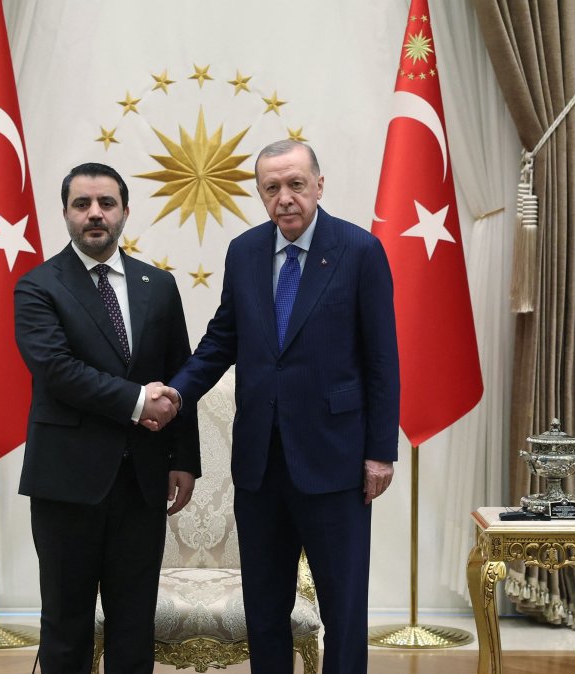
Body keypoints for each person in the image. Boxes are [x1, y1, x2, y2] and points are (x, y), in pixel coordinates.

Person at [159, 140, 400, 673]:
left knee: (342, 607)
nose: (284, 197)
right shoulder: (244, 252)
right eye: (272, 188)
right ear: (260, 194)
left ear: (319, 184)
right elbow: (222, 341)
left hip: (335, 462)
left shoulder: (360, 251)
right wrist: (176, 394)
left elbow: (383, 360)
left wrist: (381, 452)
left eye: (295, 184)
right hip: (260, 464)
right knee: (265, 607)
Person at [13, 162, 200, 674]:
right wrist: (139, 402)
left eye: (106, 204)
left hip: (142, 482)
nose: (95, 214)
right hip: (66, 484)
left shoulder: (157, 285)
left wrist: (185, 459)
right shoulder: (38, 286)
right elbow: (56, 370)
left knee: (134, 626)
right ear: (67, 214)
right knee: (67, 628)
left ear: (124, 212)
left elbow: (179, 373)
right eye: (82, 204)